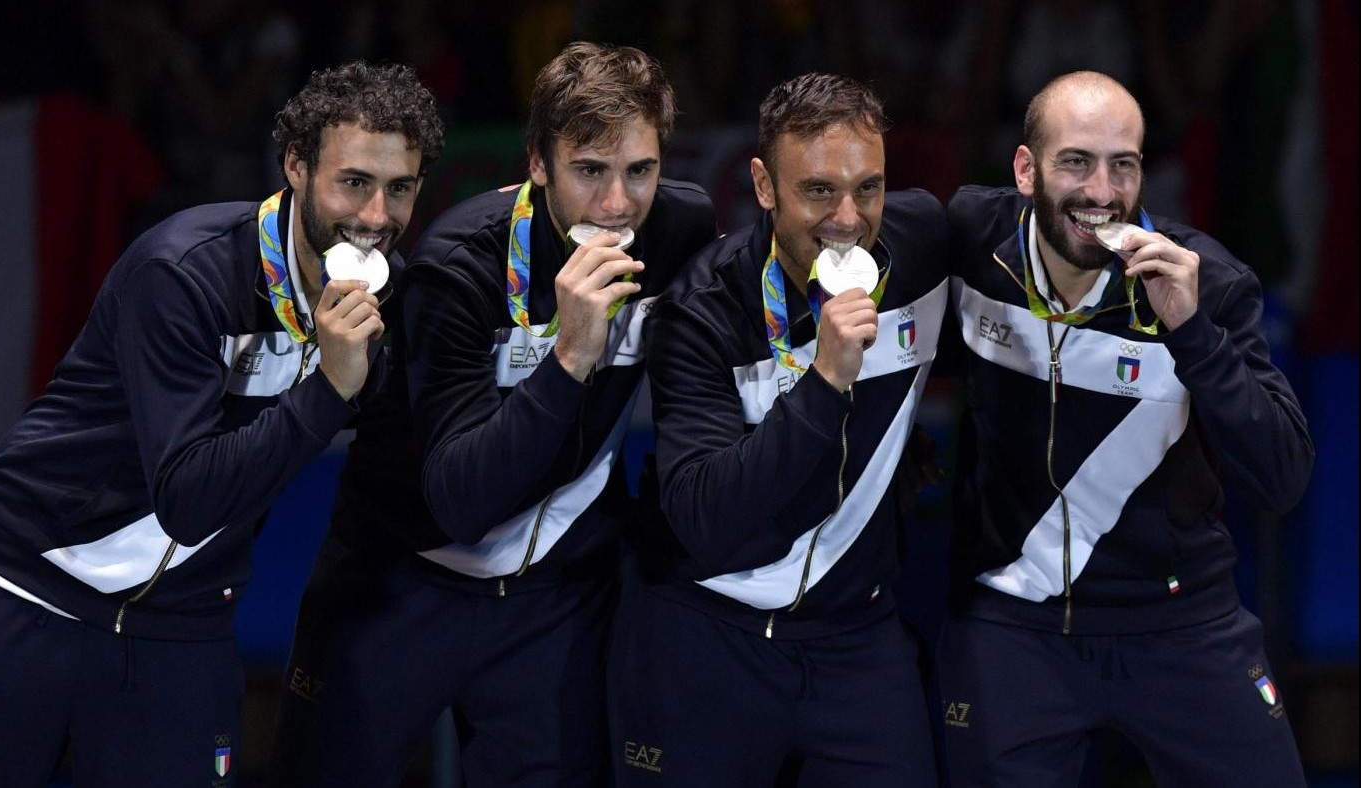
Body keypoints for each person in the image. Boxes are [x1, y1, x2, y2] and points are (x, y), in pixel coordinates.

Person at [0, 62, 443, 787]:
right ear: (295, 166)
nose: (376, 218)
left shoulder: (386, 306)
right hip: (26, 592)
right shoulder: (185, 273)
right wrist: (328, 388)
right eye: (353, 183)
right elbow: (186, 501)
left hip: (182, 629)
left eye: (399, 187)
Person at [268, 42, 716, 788]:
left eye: (640, 171)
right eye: (589, 170)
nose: (616, 204)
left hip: (554, 602)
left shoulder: (677, 231)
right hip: (401, 583)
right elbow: (462, 501)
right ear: (537, 163)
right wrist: (570, 357)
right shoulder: (458, 269)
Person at [937, 70, 1313, 787]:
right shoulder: (968, 244)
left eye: (1124, 165)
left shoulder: (1209, 284)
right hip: (1013, 626)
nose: (1102, 193)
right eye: (1076, 161)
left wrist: (1193, 333)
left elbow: (1282, 477)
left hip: (1182, 626)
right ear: (1025, 169)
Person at [608, 73, 949, 787]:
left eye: (869, 188)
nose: (850, 218)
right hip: (711, 639)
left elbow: (1046, 227)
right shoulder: (702, 310)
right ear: (764, 186)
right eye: (819, 191)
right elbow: (706, 515)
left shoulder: (922, 248)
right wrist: (824, 383)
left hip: (859, 645)